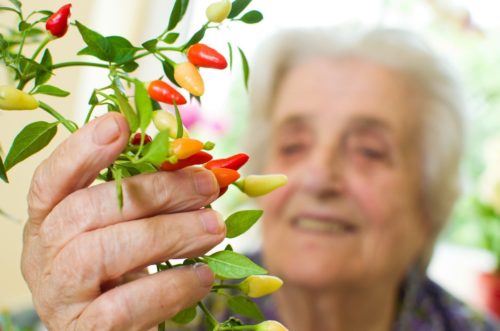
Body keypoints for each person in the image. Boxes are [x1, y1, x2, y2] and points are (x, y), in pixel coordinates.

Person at [20, 26, 498, 331]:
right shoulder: (166, 312)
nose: (318, 175)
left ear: (431, 198)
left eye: (369, 151)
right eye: (293, 145)